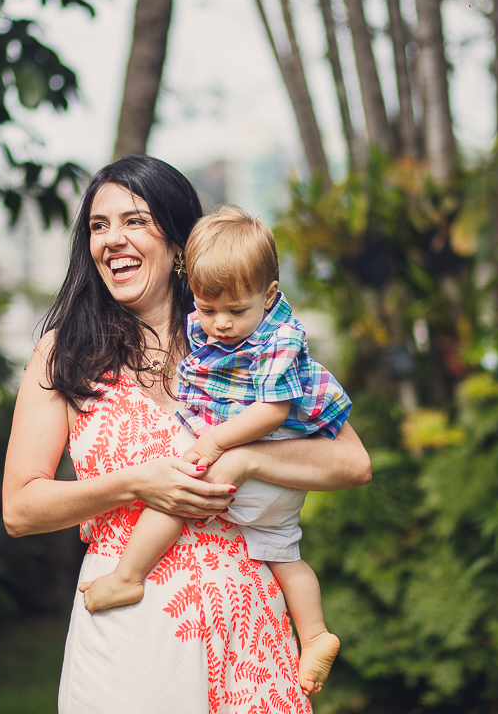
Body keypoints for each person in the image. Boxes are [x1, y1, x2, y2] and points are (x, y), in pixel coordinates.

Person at [1, 155, 372, 714]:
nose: (113, 239)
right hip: (131, 624)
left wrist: (246, 460)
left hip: (247, 620)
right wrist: (136, 484)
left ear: (179, 240)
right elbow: (19, 508)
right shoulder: (65, 351)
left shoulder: (243, 336)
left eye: (134, 221)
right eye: (99, 226)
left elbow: (353, 463)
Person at [79, 206, 348, 697]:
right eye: (207, 310)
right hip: (277, 489)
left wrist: (219, 443)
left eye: (235, 312)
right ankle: (314, 635)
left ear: (270, 295)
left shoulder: (280, 340)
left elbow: (273, 410)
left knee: (178, 489)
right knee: (285, 554)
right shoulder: (238, 323)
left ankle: (128, 575)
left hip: (263, 460)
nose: (220, 324)